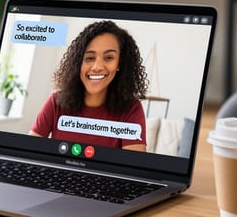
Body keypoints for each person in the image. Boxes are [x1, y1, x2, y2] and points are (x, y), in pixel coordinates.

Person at [30, 20, 149, 151]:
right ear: (78, 64)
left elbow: (131, 168)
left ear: (120, 63)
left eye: (109, 58)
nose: (97, 67)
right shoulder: (56, 102)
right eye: (90, 58)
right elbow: (29, 152)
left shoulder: (131, 109)